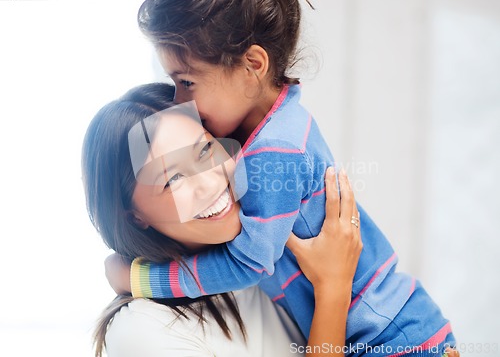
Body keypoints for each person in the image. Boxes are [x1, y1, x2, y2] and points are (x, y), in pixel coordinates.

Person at [106, 0, 457, 355]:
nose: (180, 101)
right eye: (174, 179)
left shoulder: (275, 153)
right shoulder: (275, 123)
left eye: (186, 82)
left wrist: (140, 278)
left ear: (253, 66)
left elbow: (248, 265)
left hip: (391, 338)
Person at [82, 82, 365, 357]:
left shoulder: (266, 241)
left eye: (205, 150)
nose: (210, 182)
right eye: (174, 179)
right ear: (134, 217)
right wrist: (333, 288)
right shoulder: (143, 331)